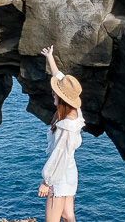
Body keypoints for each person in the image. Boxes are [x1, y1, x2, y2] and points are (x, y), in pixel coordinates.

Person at [37, 45, 85, 222]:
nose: (53, 94)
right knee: (67, 215)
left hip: (60, 176)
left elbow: (59, 156)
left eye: (55, 93)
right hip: (69, 172)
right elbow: (62, 79)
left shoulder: (66, 127)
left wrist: (46, 182)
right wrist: (50, 57)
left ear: (62, 98)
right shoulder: (76, 112)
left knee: (52, 219)